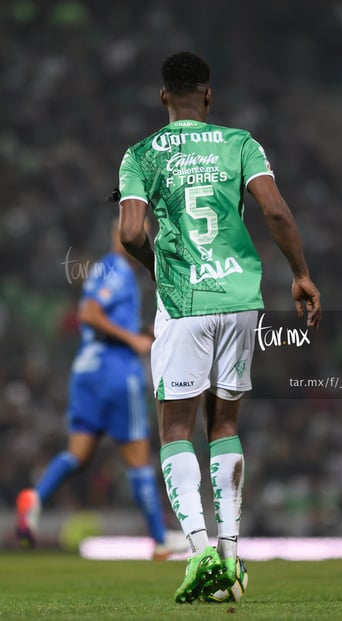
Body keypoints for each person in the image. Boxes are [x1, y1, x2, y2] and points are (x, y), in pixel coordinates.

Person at [117, 51, 322, 603]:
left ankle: (201, 551)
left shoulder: (139, 156)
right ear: (209, 96)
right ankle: (231, 558)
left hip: (186, 302)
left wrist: (163, 269)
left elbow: (131, 232)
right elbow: (275, 211)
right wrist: (300, 275)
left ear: (164, 96)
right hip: (240, 298)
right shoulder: (240, 143)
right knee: (225, 422)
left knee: (175, 429)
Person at [16, 220, 186, 560]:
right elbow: (89, 314)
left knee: (78, 454)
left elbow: (101, 315)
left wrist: (141, 331)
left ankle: (34, 499)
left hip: (86, 371)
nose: (143, 238)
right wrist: (133, 340)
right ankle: (160, 540)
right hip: (116, 372)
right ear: (121, 235)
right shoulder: (117, 270)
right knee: (138, 458)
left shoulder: (102, 270)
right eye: (139, 232)